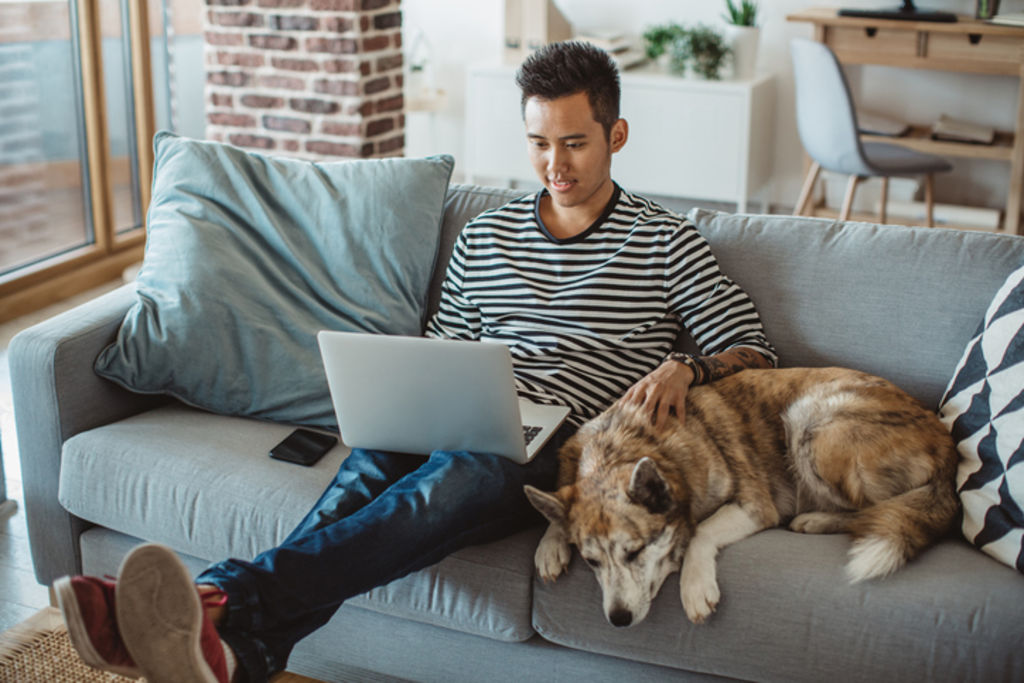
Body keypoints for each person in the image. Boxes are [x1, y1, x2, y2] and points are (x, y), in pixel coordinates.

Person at [55, 40, 776, 683]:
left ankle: (217, 598)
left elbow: (755, 349)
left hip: (565, 445)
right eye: (538, 143)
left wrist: (688, 366)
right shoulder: (486, 236)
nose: (555, 164)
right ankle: (240, 652)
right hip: (466, 409)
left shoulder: (665, 241)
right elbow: (444, 348)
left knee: (447, 482)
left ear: (616, 134)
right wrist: (415, 390)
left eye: (576, 143)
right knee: (362, 476)